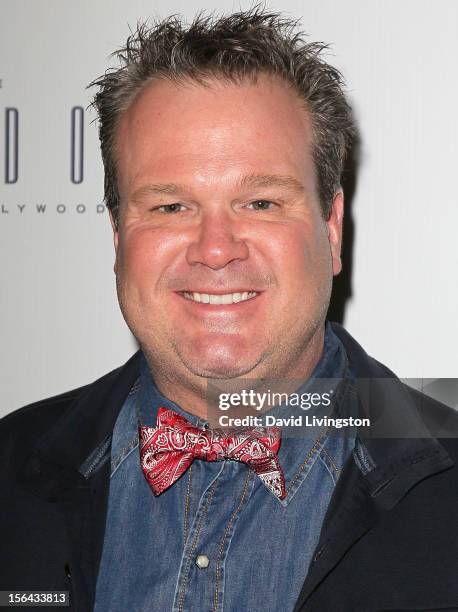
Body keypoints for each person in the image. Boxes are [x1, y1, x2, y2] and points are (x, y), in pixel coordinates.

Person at [1, 8, 457, 612]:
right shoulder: (10, 468)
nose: (215, 250)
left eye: (261, 202)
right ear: (118, 234)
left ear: (332, 228)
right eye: (169, 207)